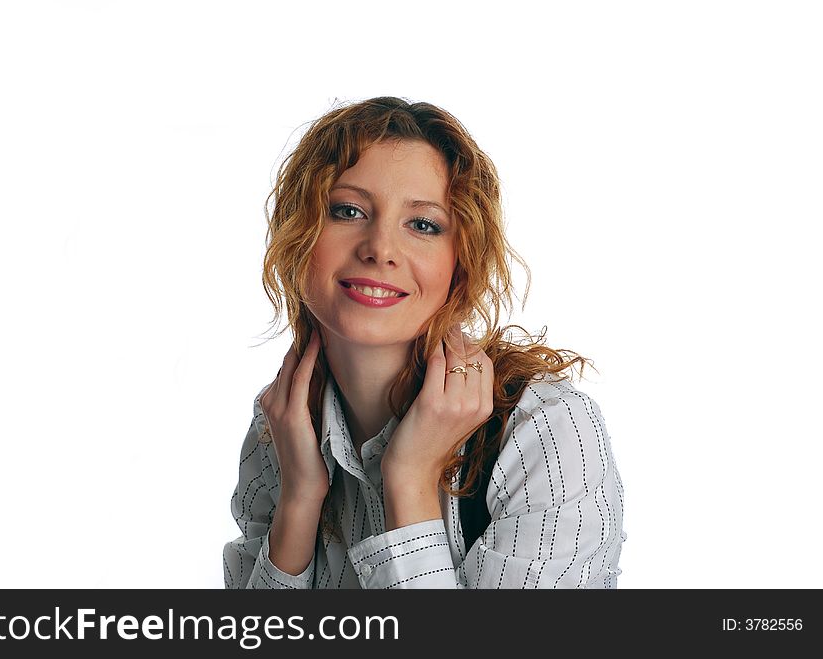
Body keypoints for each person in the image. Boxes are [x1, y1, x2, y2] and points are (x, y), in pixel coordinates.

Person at [223, 96, 626, 589]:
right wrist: (299, 500)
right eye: (348, 210)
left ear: (462, 262)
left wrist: (410, 482)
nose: (380, 250)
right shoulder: (279, 434)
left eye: (423, 225)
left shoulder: (546, 432)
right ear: (297, 235)